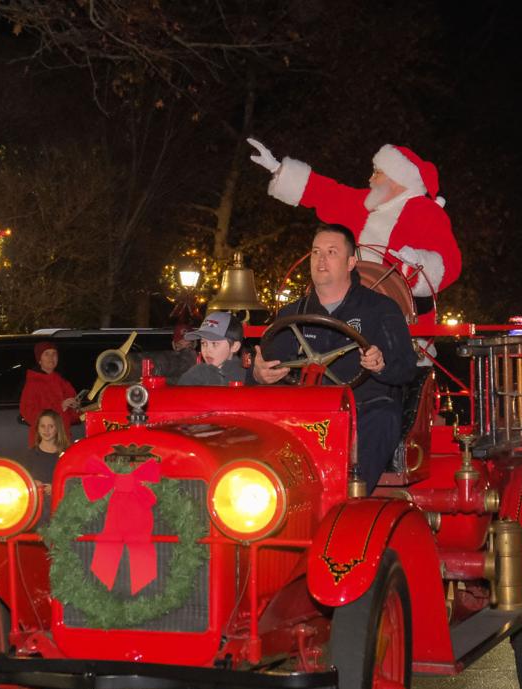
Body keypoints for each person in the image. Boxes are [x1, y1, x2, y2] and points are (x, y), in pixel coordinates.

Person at [254, 224, 418, 490]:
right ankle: (268, 489)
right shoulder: (292, 314)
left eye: (331, 252)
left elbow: (406, 369)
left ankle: (347, 494)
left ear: (351, 262)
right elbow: (271, 365)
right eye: (316, 252)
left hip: (361, 409)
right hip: (306, 410)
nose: (321, 259)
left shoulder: (381, 309)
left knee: (384, 416)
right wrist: (259, 374)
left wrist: (381, 365)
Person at [247, 139, 461, 323]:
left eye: (377, 173)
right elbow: (327, 194)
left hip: (404, 321)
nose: (370, 179)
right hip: (352, 314)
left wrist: (416, 266)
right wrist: (278, 169)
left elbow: (449, 264)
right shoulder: (366, 205)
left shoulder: (427, 212)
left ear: (397, 179)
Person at [19, 341, 80, 444]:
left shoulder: (62, 382)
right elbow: (28, 413)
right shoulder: (33, 383)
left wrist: (75, 407)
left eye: (54, 353)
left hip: (63, 438)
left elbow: (73, 417)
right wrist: (59, 407)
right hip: (44, 441)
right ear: (39, 360)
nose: (51, 357)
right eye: (46, 354)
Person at [177, 311, 247, 386]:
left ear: (235, 346)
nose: (207, 350)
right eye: (203, 343)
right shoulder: (194, 376)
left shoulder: (247, 376)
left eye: (214, 344)